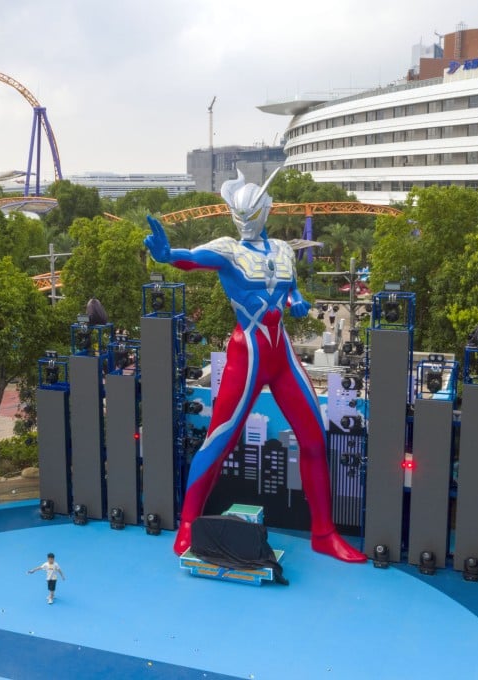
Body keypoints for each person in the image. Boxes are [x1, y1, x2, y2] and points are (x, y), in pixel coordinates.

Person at [144, 168, 366, 564]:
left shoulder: (282, 249)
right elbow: (195, 259)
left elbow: (290, 288)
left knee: (315, 439)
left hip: (281, 355)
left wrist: (298, 300)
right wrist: (169, 255)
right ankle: (188, 525)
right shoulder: (229, 249)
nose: (243, 223)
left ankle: (323, 532)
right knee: (219, 439)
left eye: (250, 214)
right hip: (247, 354)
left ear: (266, 210)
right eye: (237, 215)